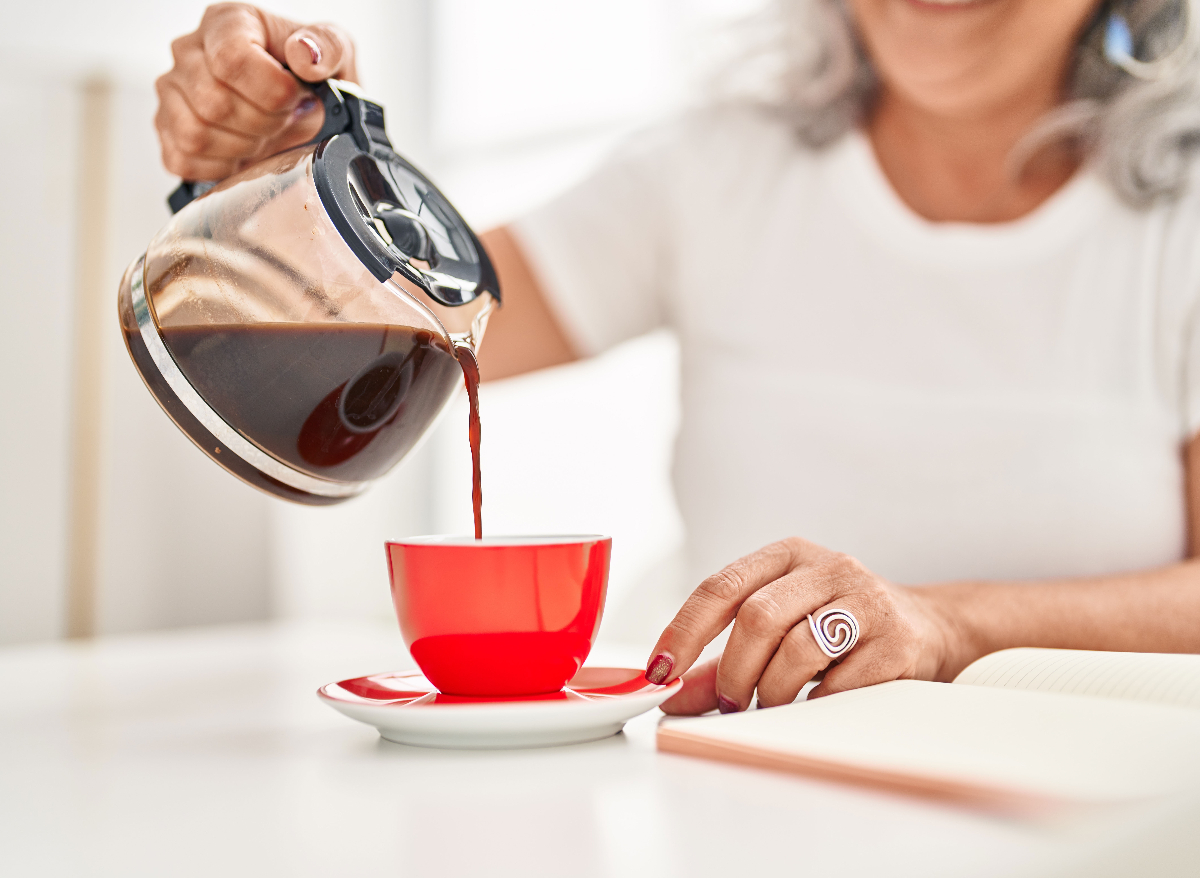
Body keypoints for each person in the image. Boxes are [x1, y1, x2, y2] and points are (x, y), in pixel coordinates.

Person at [155, 0, 1200, 717]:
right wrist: (268, 163)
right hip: (738, 808)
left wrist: (946, 626)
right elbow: (424, 321)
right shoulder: (715, 170)